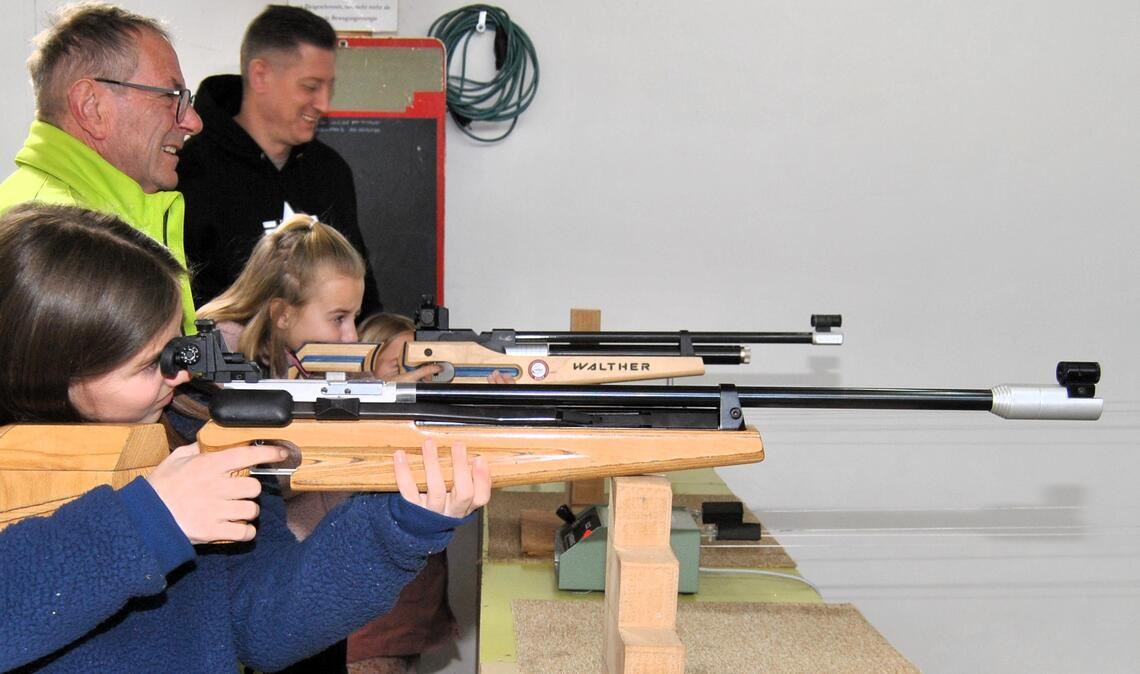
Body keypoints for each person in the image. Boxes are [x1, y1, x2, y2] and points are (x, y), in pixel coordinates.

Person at [0, 202, 491, 672]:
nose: (181, 373)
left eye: (178, 347)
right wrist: (150, 520)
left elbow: (263, 626)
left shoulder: (195, 432)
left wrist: (397, 527)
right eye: (151, 364)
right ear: (47, 370)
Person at [0, 2, 202, 333]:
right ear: (91, 106)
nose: (193, 122)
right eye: (172, 96)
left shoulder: (84, 219)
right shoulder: (54, 240)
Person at [178, 4, 381, 314]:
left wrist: (387, 336)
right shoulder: (189, 173)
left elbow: (364, 302)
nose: (323, 104)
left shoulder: (331, 171)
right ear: (260, 75)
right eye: (310, 86)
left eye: (329, 87)